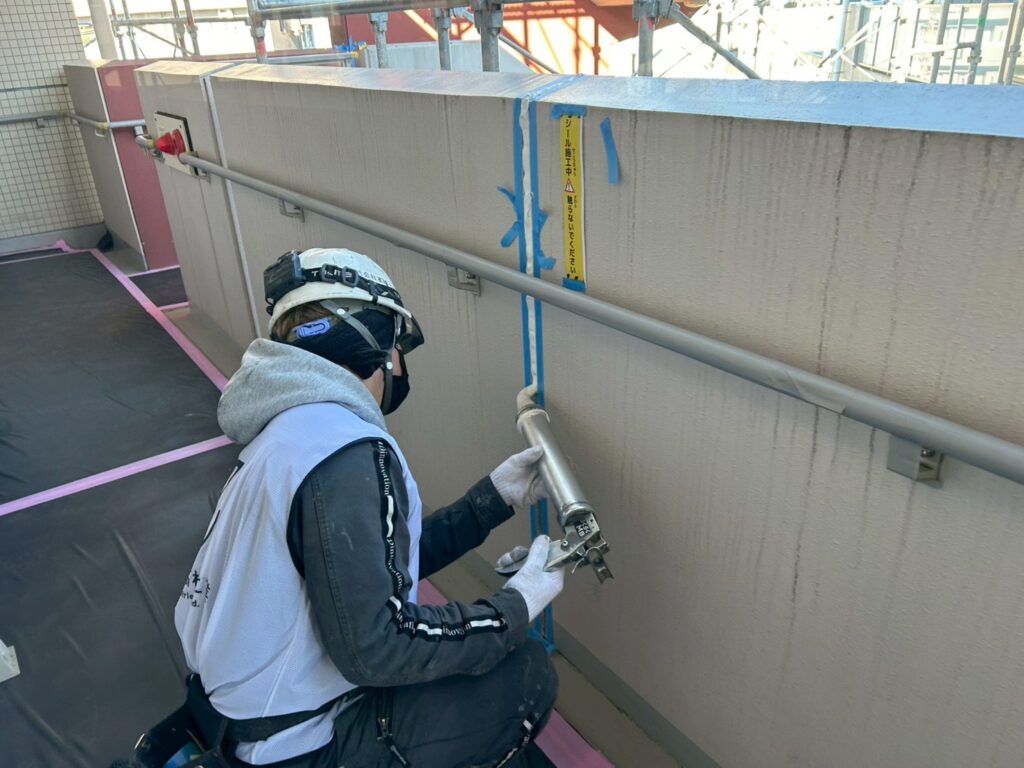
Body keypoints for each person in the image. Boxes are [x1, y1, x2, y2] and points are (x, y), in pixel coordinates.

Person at [170, 247, 564, 768]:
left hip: (238, 715)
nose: (398, 366)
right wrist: (514, 607)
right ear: (368, 342)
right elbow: (379, 647)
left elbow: (362, 568)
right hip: (294, 748)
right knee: (524, 675)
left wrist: (493, 500)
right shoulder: (349, 452)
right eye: (396, 346)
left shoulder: (292, 433)